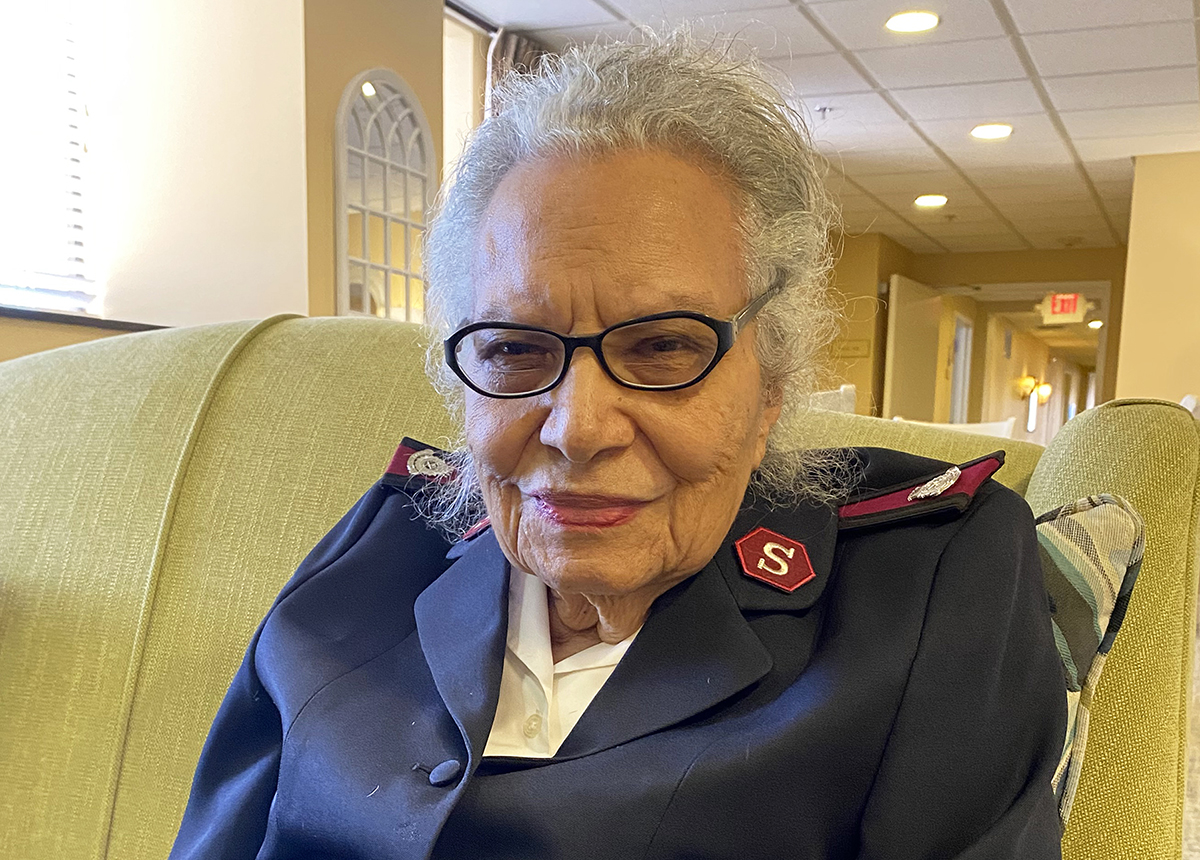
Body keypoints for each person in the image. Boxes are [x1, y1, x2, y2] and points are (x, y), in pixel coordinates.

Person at [169, 35, 1066, 860]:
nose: (578, 427)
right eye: (515, 351)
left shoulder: (930, 580)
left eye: (664, 348)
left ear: (770, 390)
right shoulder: (386, 546)